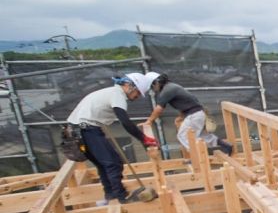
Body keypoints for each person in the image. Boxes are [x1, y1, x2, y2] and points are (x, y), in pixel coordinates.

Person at [66, 73, 159, 204]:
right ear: (129, 86)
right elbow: (125, 122)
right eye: (137, 93)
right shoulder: (118, 94)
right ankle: (120, 198)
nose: (137, 97)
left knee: (105, 164)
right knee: (113, 164)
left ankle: (110, 196)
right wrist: (143, 138)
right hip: (87, 129)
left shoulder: (109, 92)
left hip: (78, 130)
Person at [143, 75, 234, 156]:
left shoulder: (167, 90)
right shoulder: (171, 86)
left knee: (183, 136)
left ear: (156, 83)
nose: (153, 90)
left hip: (194, 115)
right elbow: (186, 103)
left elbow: (159, 109)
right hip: (197, 113)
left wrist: (149, 120)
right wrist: (181, 117)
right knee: (203, 136)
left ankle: (197, 158)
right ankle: (226, 146)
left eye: (152, 87)